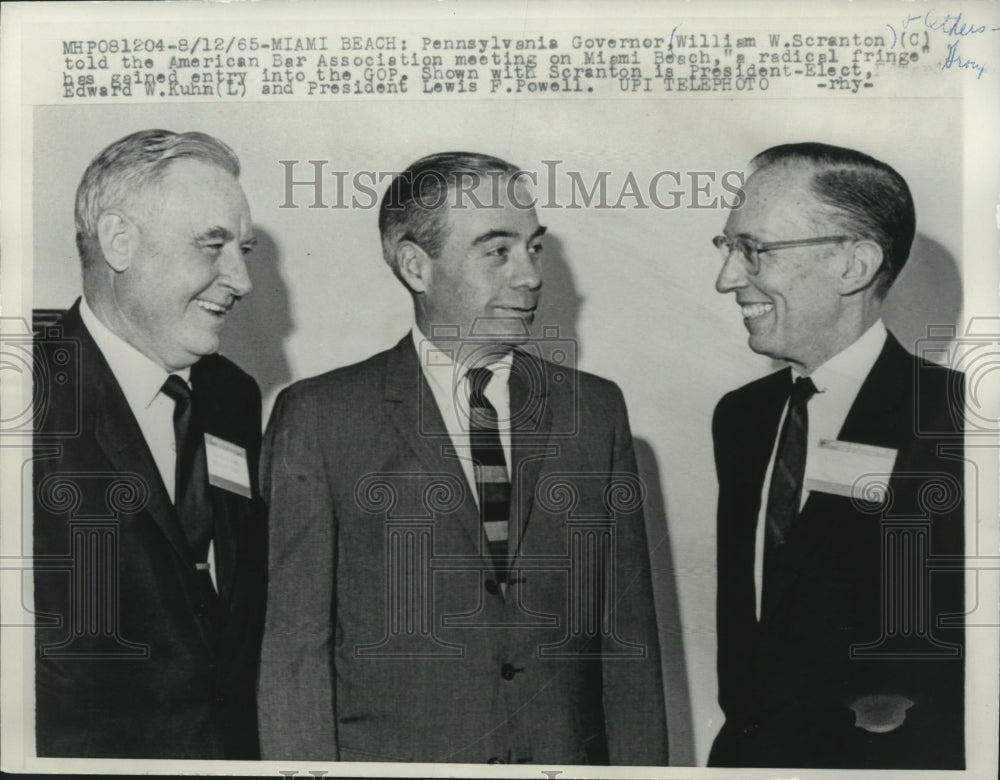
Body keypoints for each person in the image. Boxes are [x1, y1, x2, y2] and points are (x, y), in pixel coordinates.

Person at [257, 151, 668, 765]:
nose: (529, 277)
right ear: (416, 266)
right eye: (496, 252)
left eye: (534, 248)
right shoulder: (320, 417)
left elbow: (627, 647)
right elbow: (295, 655)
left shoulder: (597, 412)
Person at [709, 142, 964, 769]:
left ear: (855, 265)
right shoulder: (741, 418)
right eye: (728, 248)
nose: (727, 279)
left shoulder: (962, 425)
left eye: (756, 250)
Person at [32, 129, 266, 758]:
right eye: (212, 246)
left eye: (242, 249)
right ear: (118, 241)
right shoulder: (23, 392)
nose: (241, 280)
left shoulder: (233, 398)